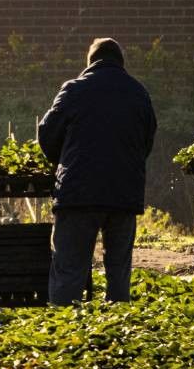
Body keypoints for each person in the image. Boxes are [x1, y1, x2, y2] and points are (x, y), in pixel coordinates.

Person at [37, 38, 157, 305]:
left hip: (78, 194)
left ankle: (64, 327)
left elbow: (46, 134)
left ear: (90, 62)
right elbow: (146, 141)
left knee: (69, 269)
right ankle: (116, 329)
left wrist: (63, 163)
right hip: (124, 195)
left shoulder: (74, 90)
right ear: (121, 63)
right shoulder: (139, 93)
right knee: (118, 271)